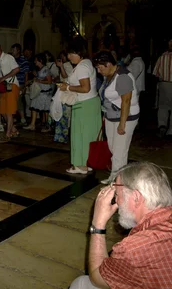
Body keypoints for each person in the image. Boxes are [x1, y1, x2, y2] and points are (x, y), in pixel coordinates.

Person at [69, 162, 172, 289]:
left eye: (117, 195)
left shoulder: (132, 249)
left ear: (136, 197)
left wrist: (98, 223)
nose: (116, 201)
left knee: (81, 284)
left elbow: (97, 278)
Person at [94, 51, 140, 184]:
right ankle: (117, 176)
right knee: (113, 148)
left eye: (100, 67)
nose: (98, 70)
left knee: (119, 151)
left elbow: (126, 101)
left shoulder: (123, 76)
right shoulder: (109, 75)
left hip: (126, 117)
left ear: (108, 64)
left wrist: (122, 124)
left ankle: (117, 182)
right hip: (111, 116)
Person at [59, 43, 101, 174]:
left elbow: (85, 88)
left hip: (85, 104)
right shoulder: (86, 63)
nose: (69, 56)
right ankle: (88, 162)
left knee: (80, 134)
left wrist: (67, 88)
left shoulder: (82, 67)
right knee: (88, 134)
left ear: (80, 53)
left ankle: (81, 165)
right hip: (90, 103)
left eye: (72, 54)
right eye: (68, 54)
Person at [0, 42, 20, 140]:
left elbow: (16, 69)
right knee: (2, 111)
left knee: (9, 111)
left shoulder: (8, 57)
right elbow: (0, 71)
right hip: (4, 86)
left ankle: (8, 134)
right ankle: (13, 129)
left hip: (12, 85)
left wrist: (3, 78)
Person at [153, 39, 172, 137]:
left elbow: (156, 73)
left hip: (164, 84)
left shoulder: (162, 57)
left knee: (163, 107)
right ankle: (170, 131)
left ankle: (162, 125)